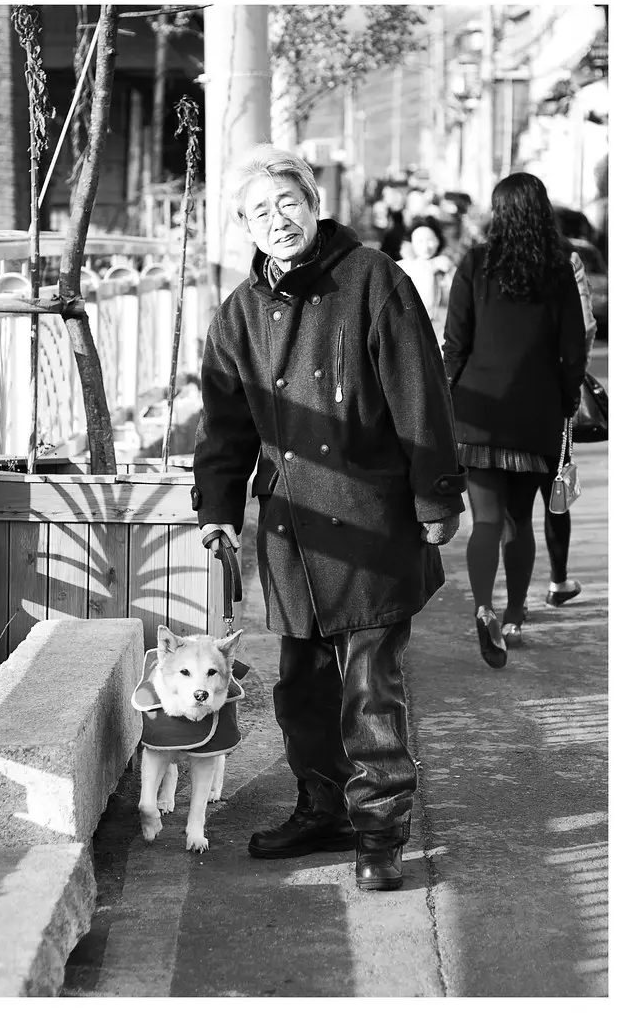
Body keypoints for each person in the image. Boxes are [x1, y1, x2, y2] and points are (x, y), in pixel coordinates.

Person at [192, 143, 466, 891]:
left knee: (369, 686)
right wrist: (218, 507)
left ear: (312, 204)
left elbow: (419, 394)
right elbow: (224, 425)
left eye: (286, 203)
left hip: (370, 519)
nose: (275, 221)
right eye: (258, 212)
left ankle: (379, 831)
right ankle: (323, 807)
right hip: (290, 529)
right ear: (243, 228)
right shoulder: (238, 314)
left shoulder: (373, 280)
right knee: (301, 688)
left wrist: (436, 495)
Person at [443, 172, 587, 667]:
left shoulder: (476, 262)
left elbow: (455, 343)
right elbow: (573, 349)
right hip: (535, 414)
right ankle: (515, 615)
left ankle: (483, 607)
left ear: (498, 211)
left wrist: (446, 398)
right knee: (518, 523)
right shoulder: (559, 268)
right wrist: (567, 402)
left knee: (484, 520)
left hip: (478, 412)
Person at [534, 247, 598, 609]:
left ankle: (508, 608)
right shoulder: (565, 259)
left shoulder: (485, 259)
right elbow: (586, 325)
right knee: (556, 491)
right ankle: (558, 581)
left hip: (496, 403)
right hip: (554, 395)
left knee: (506, 509)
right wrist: (573, 382)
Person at [396, 215, 456, 349]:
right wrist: (430, 268)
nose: (425, 246)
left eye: (430, 240)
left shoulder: (448, 267)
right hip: (410, 334)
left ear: (438, 241)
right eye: (419, 241)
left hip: (441, 335)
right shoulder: (401, 268)